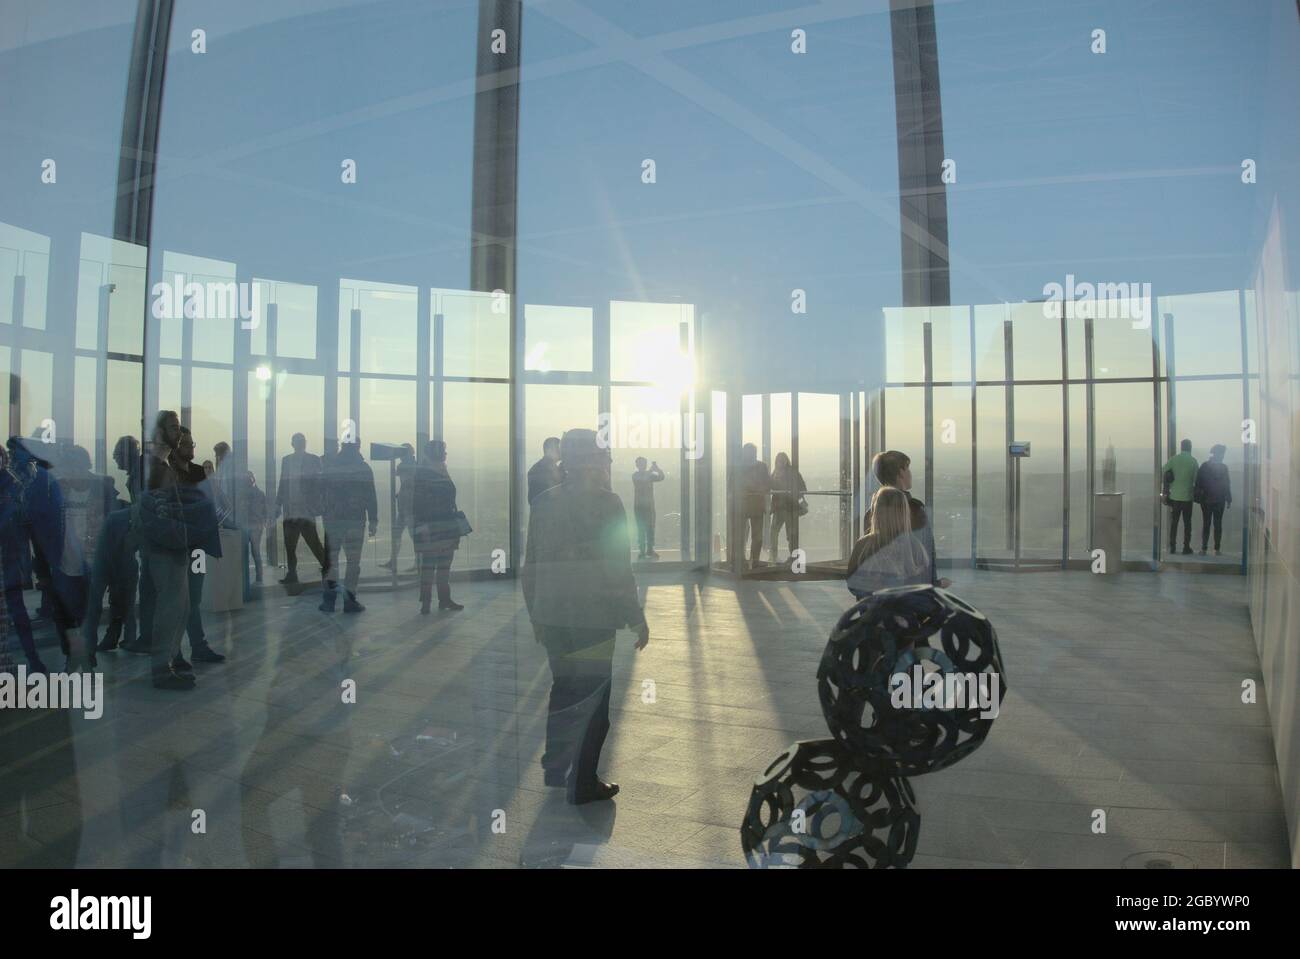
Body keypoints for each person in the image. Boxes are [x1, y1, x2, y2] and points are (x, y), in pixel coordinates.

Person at [523, 428, 649, 805]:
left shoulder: (544, 502)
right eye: (605, 456)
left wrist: (536, 613)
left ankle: (558, 768)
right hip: (592, 619)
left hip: (554, 617)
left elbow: (533, 564)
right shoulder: (608, 504)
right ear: (591, 462)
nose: (609, 462)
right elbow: (617, 567)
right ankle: (583, 783)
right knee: (594, 701)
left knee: (564, 690)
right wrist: (634, 615)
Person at [174, 426, 225, 668]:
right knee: (177, 599)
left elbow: (207, 506)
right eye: (187, 445)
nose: (191, 449)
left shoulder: (196, 473)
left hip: (194, 545)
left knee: (192, 598)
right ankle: (179, 651)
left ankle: (195, 647)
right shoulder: (166, 473)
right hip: (176, 545)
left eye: (192, 445)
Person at [864, 450, 949, 588]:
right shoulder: (914, 509)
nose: (910, 473)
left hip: (881, 593)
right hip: (911, 593)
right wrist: (935, 585)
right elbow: (926, 554)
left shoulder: (871, 513)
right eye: (907, 468)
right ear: (901, 472)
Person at [319, 439, 377, 613]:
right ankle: (349, 601)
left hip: (333, 520)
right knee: (353, 563)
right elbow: (370, 496)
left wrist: (326, 514)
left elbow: (323, 493)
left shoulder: (331, 467)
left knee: (331, 562)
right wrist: (373, 519)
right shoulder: (363, 468)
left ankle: (329, 601)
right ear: (358, 447)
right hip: (355, 520)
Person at [847, 487, 932, 599]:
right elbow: (924, 589)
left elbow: (852, 584)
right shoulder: (916, 547)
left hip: (872, 613)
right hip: (906, 613)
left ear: (876, 512)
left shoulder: (863, 545)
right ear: (905, 513)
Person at [411, 440, 463, 614]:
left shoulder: (430, 472)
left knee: (436, 565)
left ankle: (436, 600)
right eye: (444, 452)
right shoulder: (429, 474)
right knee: (436, 566)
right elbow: (418, 504)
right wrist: (424, 525)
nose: (445, 455)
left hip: (440, 526)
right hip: (437, 526)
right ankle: (433, 601)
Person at [276, 432, 329, 584]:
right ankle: (292, 574)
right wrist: (278, 504)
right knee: (290, 546)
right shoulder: (286, 461)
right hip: (291, 510)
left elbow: (320, 484)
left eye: (302, 441)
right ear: (293, 444)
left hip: (305, 511)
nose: (300, 444)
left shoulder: (313, 459)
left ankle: (327, 570)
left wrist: (316, 505)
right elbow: (283, 483)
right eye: (298, 441)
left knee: (314, 543)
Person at [380, 444, 417, 572]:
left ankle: (414, 562)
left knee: (410, 535)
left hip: (409, 507)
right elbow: (406, 483)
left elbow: (407, 482)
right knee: (399, 534)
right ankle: (393, 561)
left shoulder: (409, 466)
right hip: (405, 506)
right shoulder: (412, 465)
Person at [1194, 443, 1232, 556]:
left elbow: (1198, 482)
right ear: (1218, 454)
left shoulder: (1204, 466)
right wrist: (1228, 498)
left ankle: (1204, 548)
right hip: (1219, 500)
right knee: (1218, 524)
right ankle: (1216, 549)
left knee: (1206, 523)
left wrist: (1198, 496)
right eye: (1222, 453)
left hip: (1206, 500)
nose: (1223, 456)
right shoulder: (1224, 468)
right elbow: (1226, 484)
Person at [1162, 438, 1198, 556]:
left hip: (1175, 497)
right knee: (1187, 524)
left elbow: (1164, 470)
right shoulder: (1193, 461)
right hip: (1187, 497)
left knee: (1174, 523)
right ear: (1190, 447)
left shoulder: (1174, 459)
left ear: (1181, 447)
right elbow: (1196, 480)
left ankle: (1172, 546)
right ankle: (1186, 547)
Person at [768, 452, 807, 563]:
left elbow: (801, 487)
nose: (780, 462)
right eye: (779, 460)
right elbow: (803, 487)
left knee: (782, 533)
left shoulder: (782, 472)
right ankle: (789, 557)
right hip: (782, 507)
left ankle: (780, 556)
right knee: (783, 533)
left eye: (782, 460)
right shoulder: (783, 472)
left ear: (786, 460)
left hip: (786, 507)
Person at [739, 443, 770, 569]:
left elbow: (767, 485)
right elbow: (767, 484)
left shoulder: (759, 466)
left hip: (750, 504)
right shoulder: (761, 466)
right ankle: (749, 560)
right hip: (749, 504)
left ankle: (751, 560)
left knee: (753, 536)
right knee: (750, 535)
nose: (751, 454)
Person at [630, 457, 665, 559]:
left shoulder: (649, 475)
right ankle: (642, 551)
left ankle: (650, 550)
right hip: (640, 506)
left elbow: (661, 477)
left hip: (649, 506)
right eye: (641, 463)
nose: (643, 465)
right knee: (641, 528)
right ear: (637, 465)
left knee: (650, 528)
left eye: (644, 463)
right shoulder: (635, 475)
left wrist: (657, 469)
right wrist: (652, 470)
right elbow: (643, 480)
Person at [237, 470, 268, 581]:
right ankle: (254, 576)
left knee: (255, 551)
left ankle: (258, 576)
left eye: (249, 477)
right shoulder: (245, 494)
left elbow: (265, 510)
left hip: (254, 525)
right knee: (251, 551)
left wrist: (262, 521)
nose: (247, 480)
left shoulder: (259, 494)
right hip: (248, 525)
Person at [527, 437, 561, 505]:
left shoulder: (540, 468)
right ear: (549, 450)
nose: (561, 452)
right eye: (558, 449)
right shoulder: (539, 470)